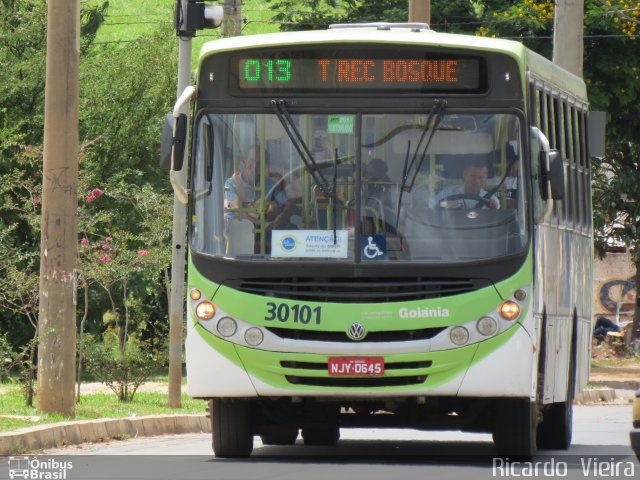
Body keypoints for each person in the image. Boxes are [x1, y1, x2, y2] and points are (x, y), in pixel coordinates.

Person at [224, 145, 295, 231]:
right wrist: (260, 223)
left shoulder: (270, 183)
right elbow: (236, 210)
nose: (255, 166)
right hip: (240, 231)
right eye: (252, 161)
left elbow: (289, 205)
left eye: (260, 163)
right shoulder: (231, 184)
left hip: (265, 230)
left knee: (291, 228)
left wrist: (280, 218)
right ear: (244, 161)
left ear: (265, 166)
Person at [430, 159, 500, 209]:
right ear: (465, 175)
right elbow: (431, 204)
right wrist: (445, 205)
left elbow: (496, 211)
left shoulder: (491, 200)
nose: (476, 181)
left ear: (486, 179)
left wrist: (493, 207)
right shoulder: (448, 193)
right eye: (473, 176)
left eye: (481, 177)